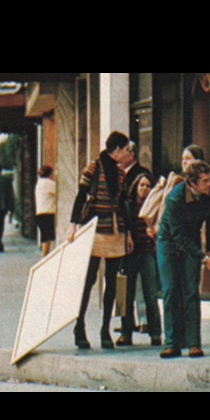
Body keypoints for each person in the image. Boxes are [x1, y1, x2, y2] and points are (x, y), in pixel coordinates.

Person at [66, 131, 133, 350]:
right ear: (117, 150)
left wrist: (128, 233)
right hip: (94, 229)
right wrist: (73, 224)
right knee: (89, 280)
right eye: (126, 150)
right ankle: (79, 326)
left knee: (112, 281)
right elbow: (81, 195)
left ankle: (105, 329)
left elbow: (123, 204)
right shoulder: (94, 167)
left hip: (115, 229)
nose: (128, 153)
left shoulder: (121, 173)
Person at [157, 160, 210, 358]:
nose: (209, 184)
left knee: (191, 291)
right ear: (192, 183)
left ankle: (194, 343)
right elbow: (178, 234)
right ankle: (172, 343)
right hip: (168, 240)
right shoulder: (175, 198)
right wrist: (203, 257)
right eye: (204, 181)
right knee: (170, 290)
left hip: (192, 237)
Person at [117, 173, 162, 347]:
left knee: (150, 294)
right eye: (142, 185)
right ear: (136, 187)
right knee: (127, 295)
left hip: (147, 252)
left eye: (148, 186)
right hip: (130, 254)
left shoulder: (154, 206)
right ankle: (126, 333)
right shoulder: (128, 205)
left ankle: (155, 333)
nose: (144, 189)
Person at [35, 165, 56, 257]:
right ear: (50, 174)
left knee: (45, 238)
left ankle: (44, 256)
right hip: (47, 213)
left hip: (40, 213)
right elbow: (60, 191)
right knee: (47, 239)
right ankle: (44, 257)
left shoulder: (39, 183)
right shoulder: (48, 183)